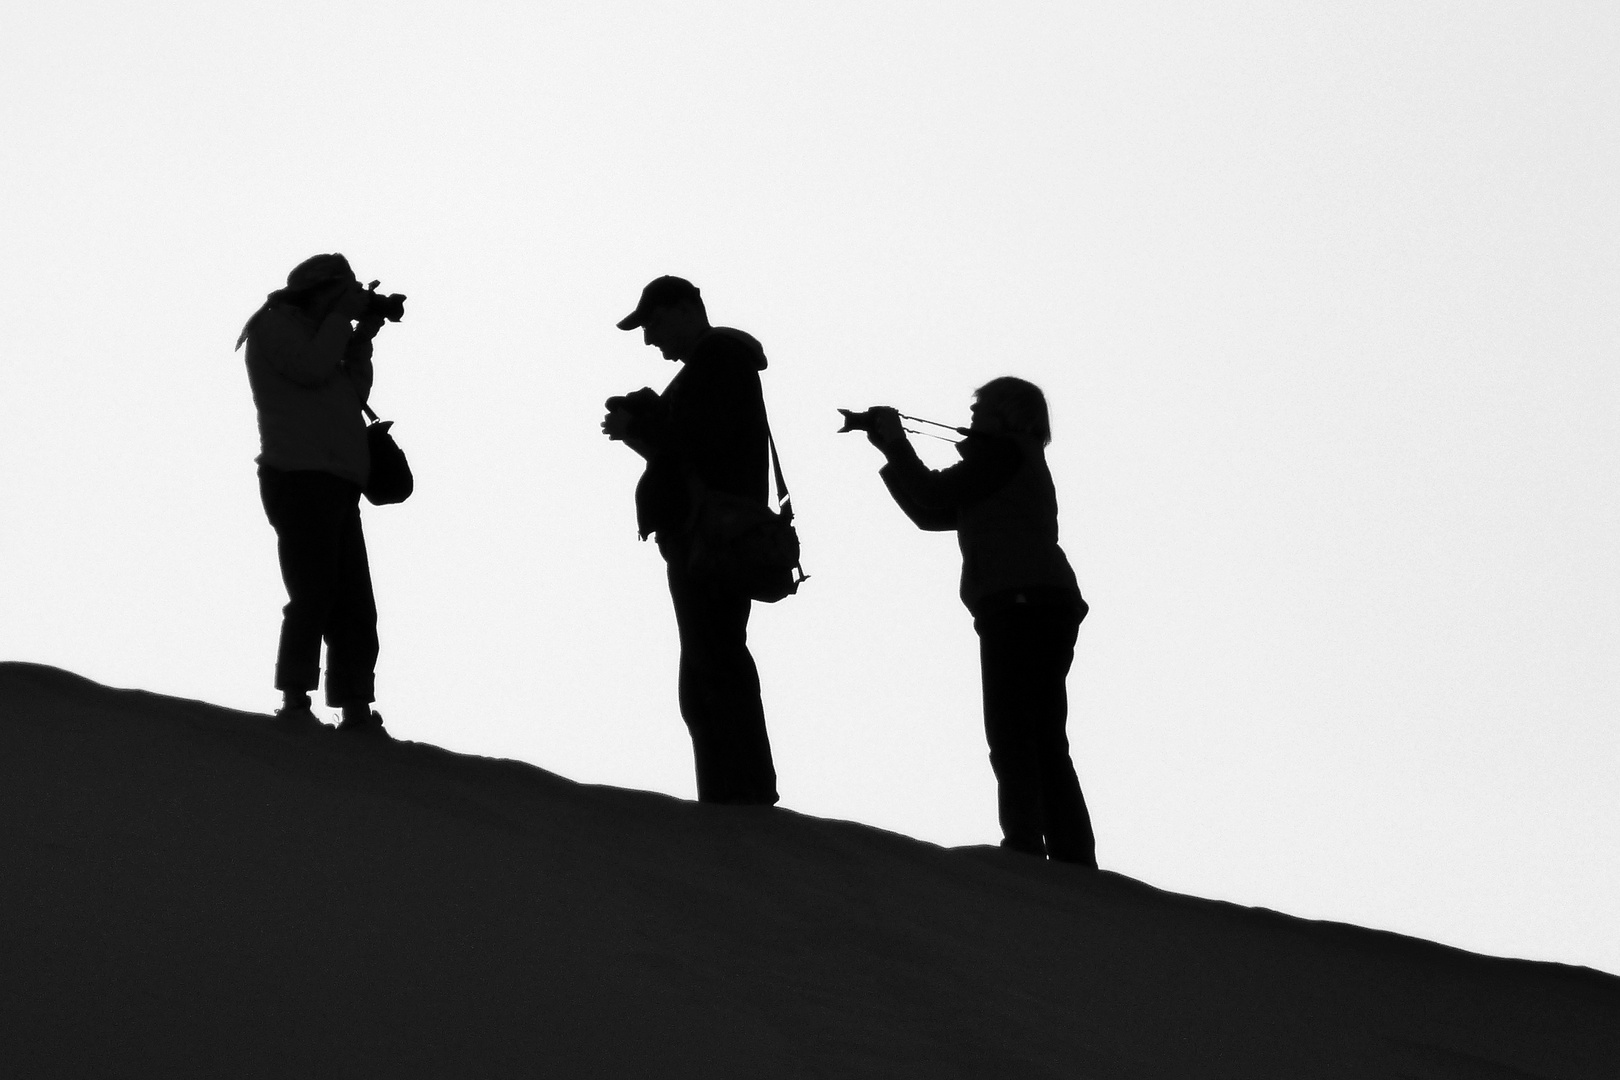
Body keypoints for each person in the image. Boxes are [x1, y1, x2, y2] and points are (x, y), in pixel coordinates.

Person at [856, 379, 1095, 865]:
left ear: (1011, 415)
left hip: (1020, 604)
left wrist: (896, 445)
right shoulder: (1009, 461)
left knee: (1014, 732)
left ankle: (1026, 845)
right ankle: (1070, 857)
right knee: (1043, 735)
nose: (973, 413)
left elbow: (933, 495)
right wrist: (893, 451)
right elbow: (932, 511)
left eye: (982, 407)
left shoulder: (1002, 456)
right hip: (1040, 602)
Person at [602, 276, 779, 805]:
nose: (649, 338)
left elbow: (696, 446)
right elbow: (692, 450)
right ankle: (731, 795)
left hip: (711, 538)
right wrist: (644, 425)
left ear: (686, 309)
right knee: (708, 669)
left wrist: (647, 422)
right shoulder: (715, 363)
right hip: (707, 534)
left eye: (653, 322)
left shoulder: (718, 358)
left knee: (714, 668)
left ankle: (739, 799)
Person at [236, 253, 392, 737]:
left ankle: (355, 708)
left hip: (337, 479)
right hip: (298, 477)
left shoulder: (321, 329)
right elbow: (309, 369)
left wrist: (361, 342)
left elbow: (347, 390)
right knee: (314, 593)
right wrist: (342, 320)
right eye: (341, 291)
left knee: (355, 603)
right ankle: (295, 701)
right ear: (320, 291)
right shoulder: (273, 328)